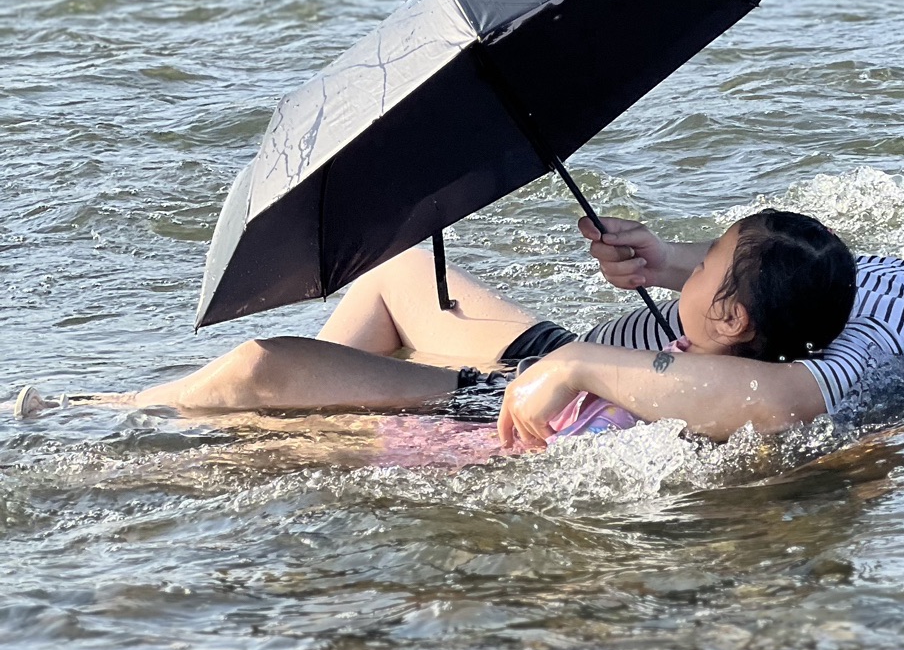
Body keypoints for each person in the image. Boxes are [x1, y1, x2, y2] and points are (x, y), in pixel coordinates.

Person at [493, 196, 904, 450]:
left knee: (392, 279)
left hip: (554, 395)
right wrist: (664, 262)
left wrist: (576, 365)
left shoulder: (900, 338)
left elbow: (783, 403)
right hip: (560, 363)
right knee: (395, 280)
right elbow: (770, 286)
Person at [118, 210, 856, 432]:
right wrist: (659, 263)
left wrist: (572, 368)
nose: (684, 271)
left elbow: (755, 405)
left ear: (730, 315)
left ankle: (105, 412)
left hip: (495, 406)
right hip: (535, 369)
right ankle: (312, 397)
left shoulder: (733, 389)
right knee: (394, 270)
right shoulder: (743, 338)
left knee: (261, 365)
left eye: (700, 267)